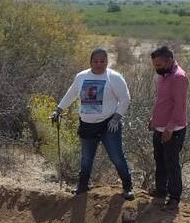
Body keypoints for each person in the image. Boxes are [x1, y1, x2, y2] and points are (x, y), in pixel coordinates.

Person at [50, 48, 134, 200]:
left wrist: (116, 117)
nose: (99, 64)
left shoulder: (114, 77)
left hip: (109, 125)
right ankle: (82, 187)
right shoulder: (81, 76)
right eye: (96, 61)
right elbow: (71, 94)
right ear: (90, 62)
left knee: (117, 156)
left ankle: (128, 187)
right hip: (87, 124)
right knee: (86, 158)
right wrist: (58, 110)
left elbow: (125, 98)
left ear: (107, 62)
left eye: (102, 61)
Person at [149, 46, 188, 211]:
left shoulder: (179, 78)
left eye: (159, 65)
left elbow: (179, 106)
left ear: (169, 61)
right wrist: (153, 119)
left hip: (174, 129)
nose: (156, 68)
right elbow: (161, 101)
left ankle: (174, 197)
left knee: (172, 163)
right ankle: (161, 191)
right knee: (160, 160)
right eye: (155, 65)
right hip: (160, 126)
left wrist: (170, 128)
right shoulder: (164, 75)